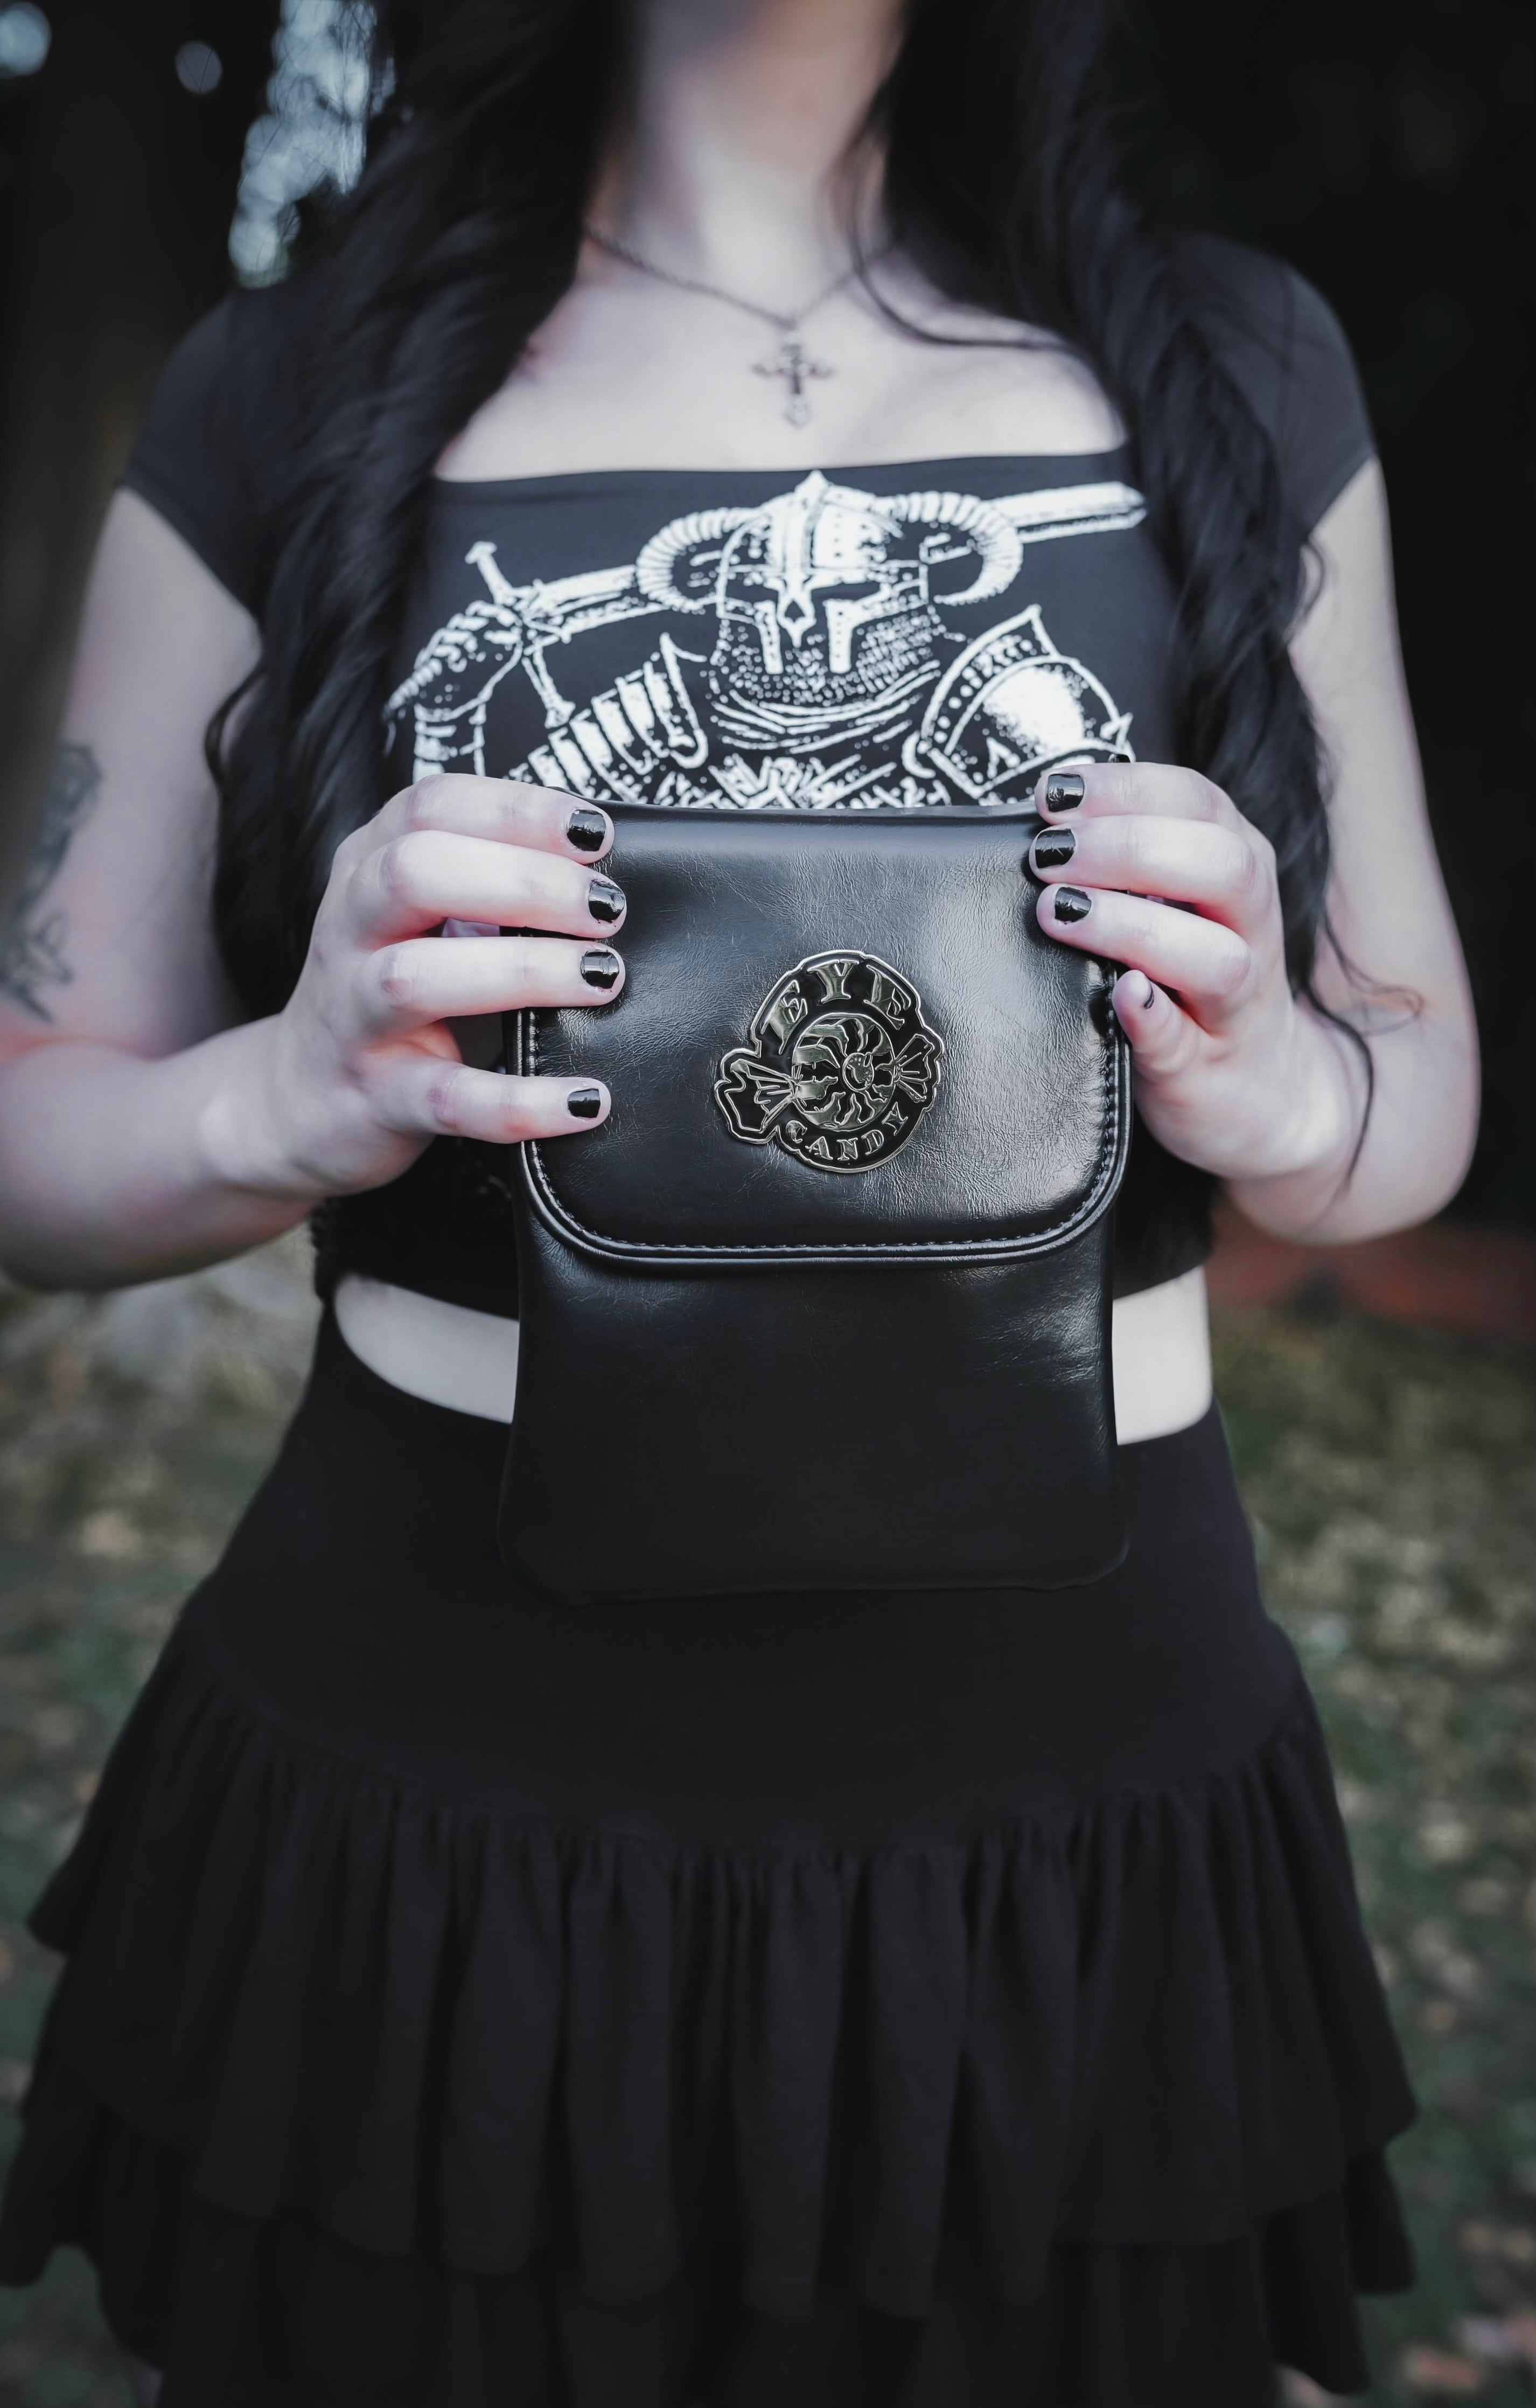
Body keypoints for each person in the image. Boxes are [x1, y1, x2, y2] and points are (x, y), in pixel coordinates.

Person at [0, 0, 1477, 2399]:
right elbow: (37, 1125)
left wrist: (1282, 1088)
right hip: (433, 1772)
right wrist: (282, 1091)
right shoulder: (282, 381)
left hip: (1080, 1782)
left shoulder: (1238, 360)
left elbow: (1409, 1077)